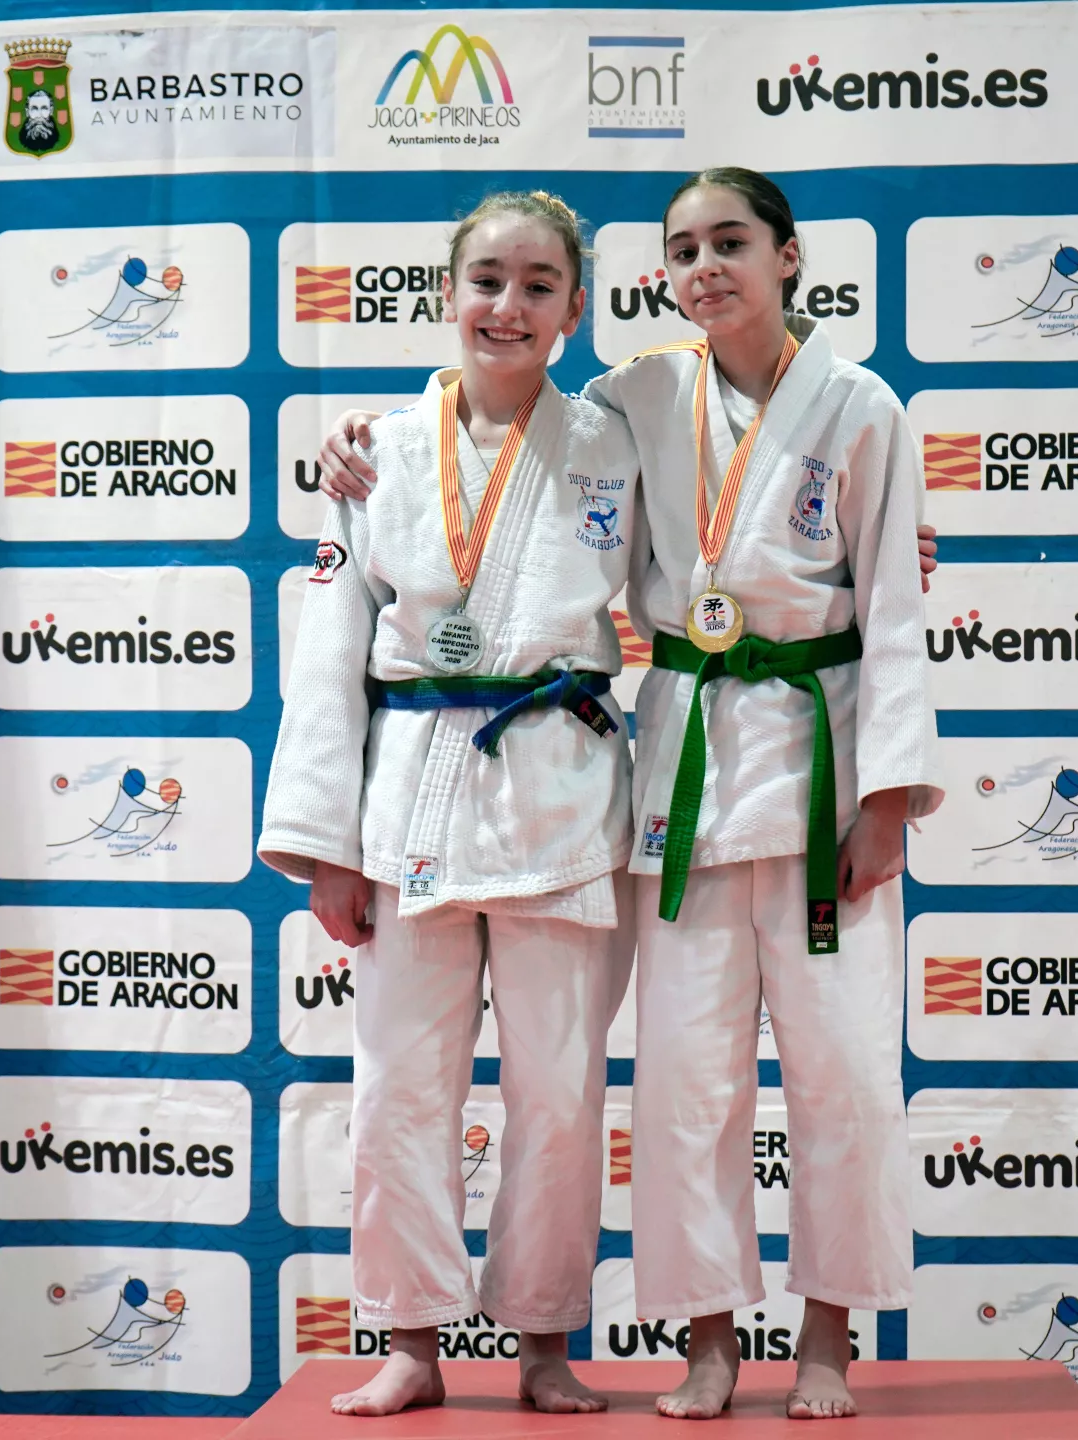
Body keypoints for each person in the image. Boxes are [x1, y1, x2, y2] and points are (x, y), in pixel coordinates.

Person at [318, 169, 942, 1422]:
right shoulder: (594, 407)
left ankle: (782, 1335)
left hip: (767, 768)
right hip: (632, 778)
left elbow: (889, 585)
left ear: (788, 254)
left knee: (817, 1080)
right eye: (684, 247)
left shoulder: (816, 408)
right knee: (653, 1082)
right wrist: (339, 452)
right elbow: (355, 610)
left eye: (731, 243)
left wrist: (892, 793)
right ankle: (584, 1339)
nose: (706, 265)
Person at [259, 191, 640, 1418]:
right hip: (408, 801)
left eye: (538, 284)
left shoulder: (616, 447)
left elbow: (715, 573)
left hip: (562, 800)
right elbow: (330, 655)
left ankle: (541, 1340)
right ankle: (412, 1338)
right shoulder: (375, 454)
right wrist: (322, 847)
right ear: (446, 294)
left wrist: (864, 559)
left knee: (561, 1090)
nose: (508, 305)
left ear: (575, 309)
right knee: (401, 1086)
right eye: (487, 280)